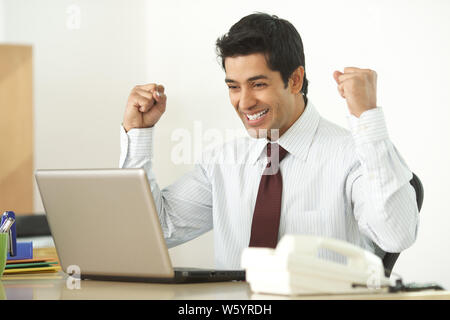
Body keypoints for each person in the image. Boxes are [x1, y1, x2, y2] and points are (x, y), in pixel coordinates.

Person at [119, 13, 419, 269]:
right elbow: (150, 232)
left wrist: (366, 118)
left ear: (295, 80)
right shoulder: (223, 162)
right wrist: (139, 135)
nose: (244, 102)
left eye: (258, 84)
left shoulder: (353, 155)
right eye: (234, 87)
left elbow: (396, 234)